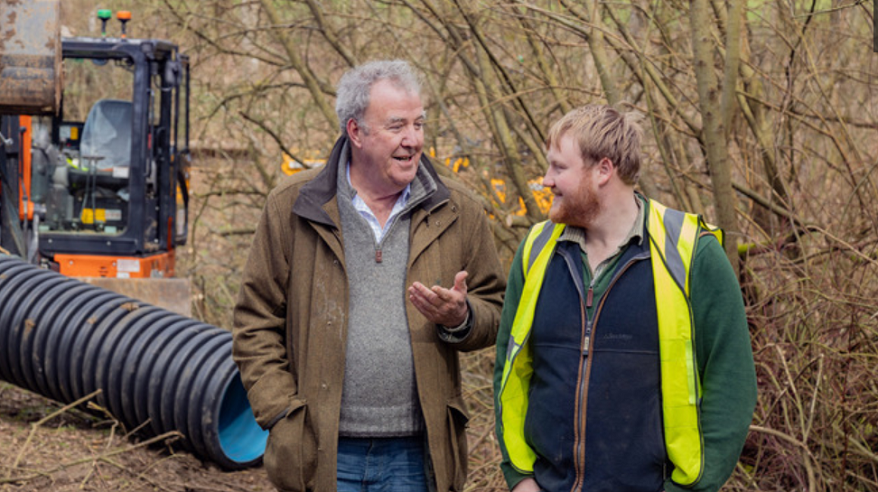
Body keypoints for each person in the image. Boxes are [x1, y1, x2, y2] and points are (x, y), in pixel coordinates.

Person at [232, 60, 505, 492]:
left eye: (419, 124)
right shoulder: (293, 207)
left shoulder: (460, 211)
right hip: (320, 450)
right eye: (397, 126)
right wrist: (282, 412)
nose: (413, 140)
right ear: (355, 132)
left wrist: (462, 317)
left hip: (418, 455)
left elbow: (498, 309)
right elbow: (254, 322)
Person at [493, 105, 757, 492]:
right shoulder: (535, 251)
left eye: (558, 168)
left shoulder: (692, 255)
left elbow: (731, 385)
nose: (546, 181)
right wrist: (520, 477)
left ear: (603, 170)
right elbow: (509, 371)